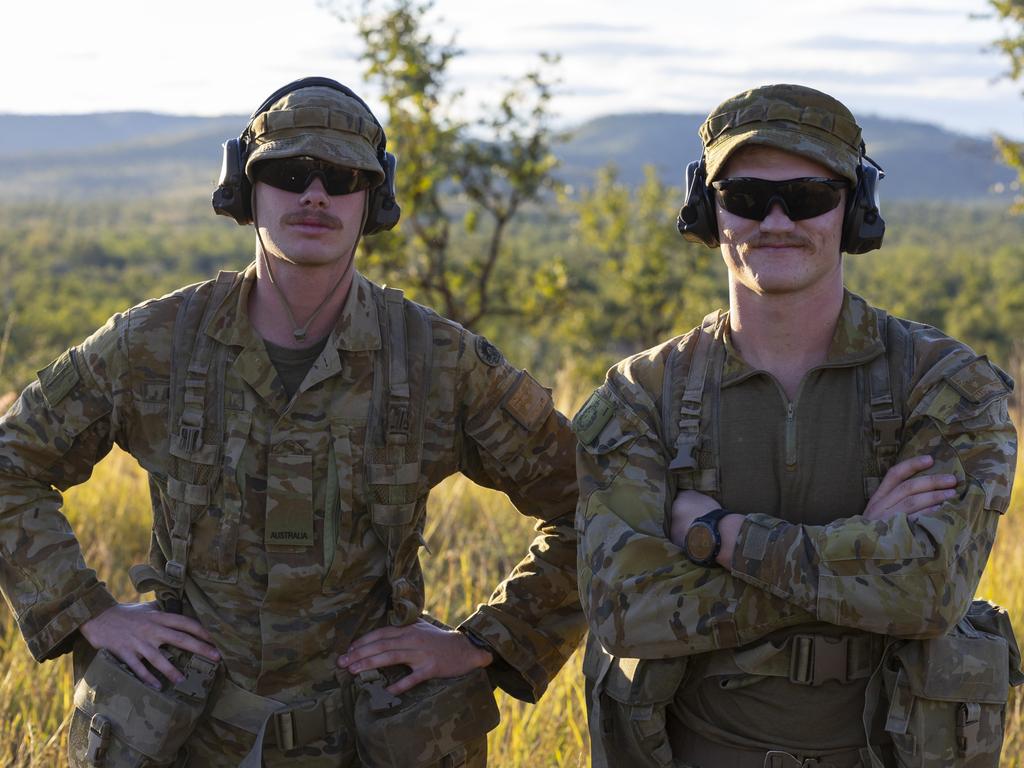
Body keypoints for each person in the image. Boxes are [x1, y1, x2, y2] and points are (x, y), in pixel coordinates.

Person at [0, 77, 585, 767]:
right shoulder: (157, 342)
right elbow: (13, 464)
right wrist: (86, 610)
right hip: (187, 737)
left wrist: (484, 640)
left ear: (373, 198)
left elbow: (594, 503)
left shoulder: (438, 361)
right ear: (246, 192)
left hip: (366, 738)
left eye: (341, 177)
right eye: (287, 173)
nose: (314, 194)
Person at [574, 83, 1018, 768]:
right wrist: (860, 555)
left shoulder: (944, 384)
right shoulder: (642, 394)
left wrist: (716, 535)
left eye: (809, 197)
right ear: (707, 210)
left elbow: (926, 591)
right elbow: (625, 608)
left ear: (854, 209)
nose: (775, 221)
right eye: (746, 198)